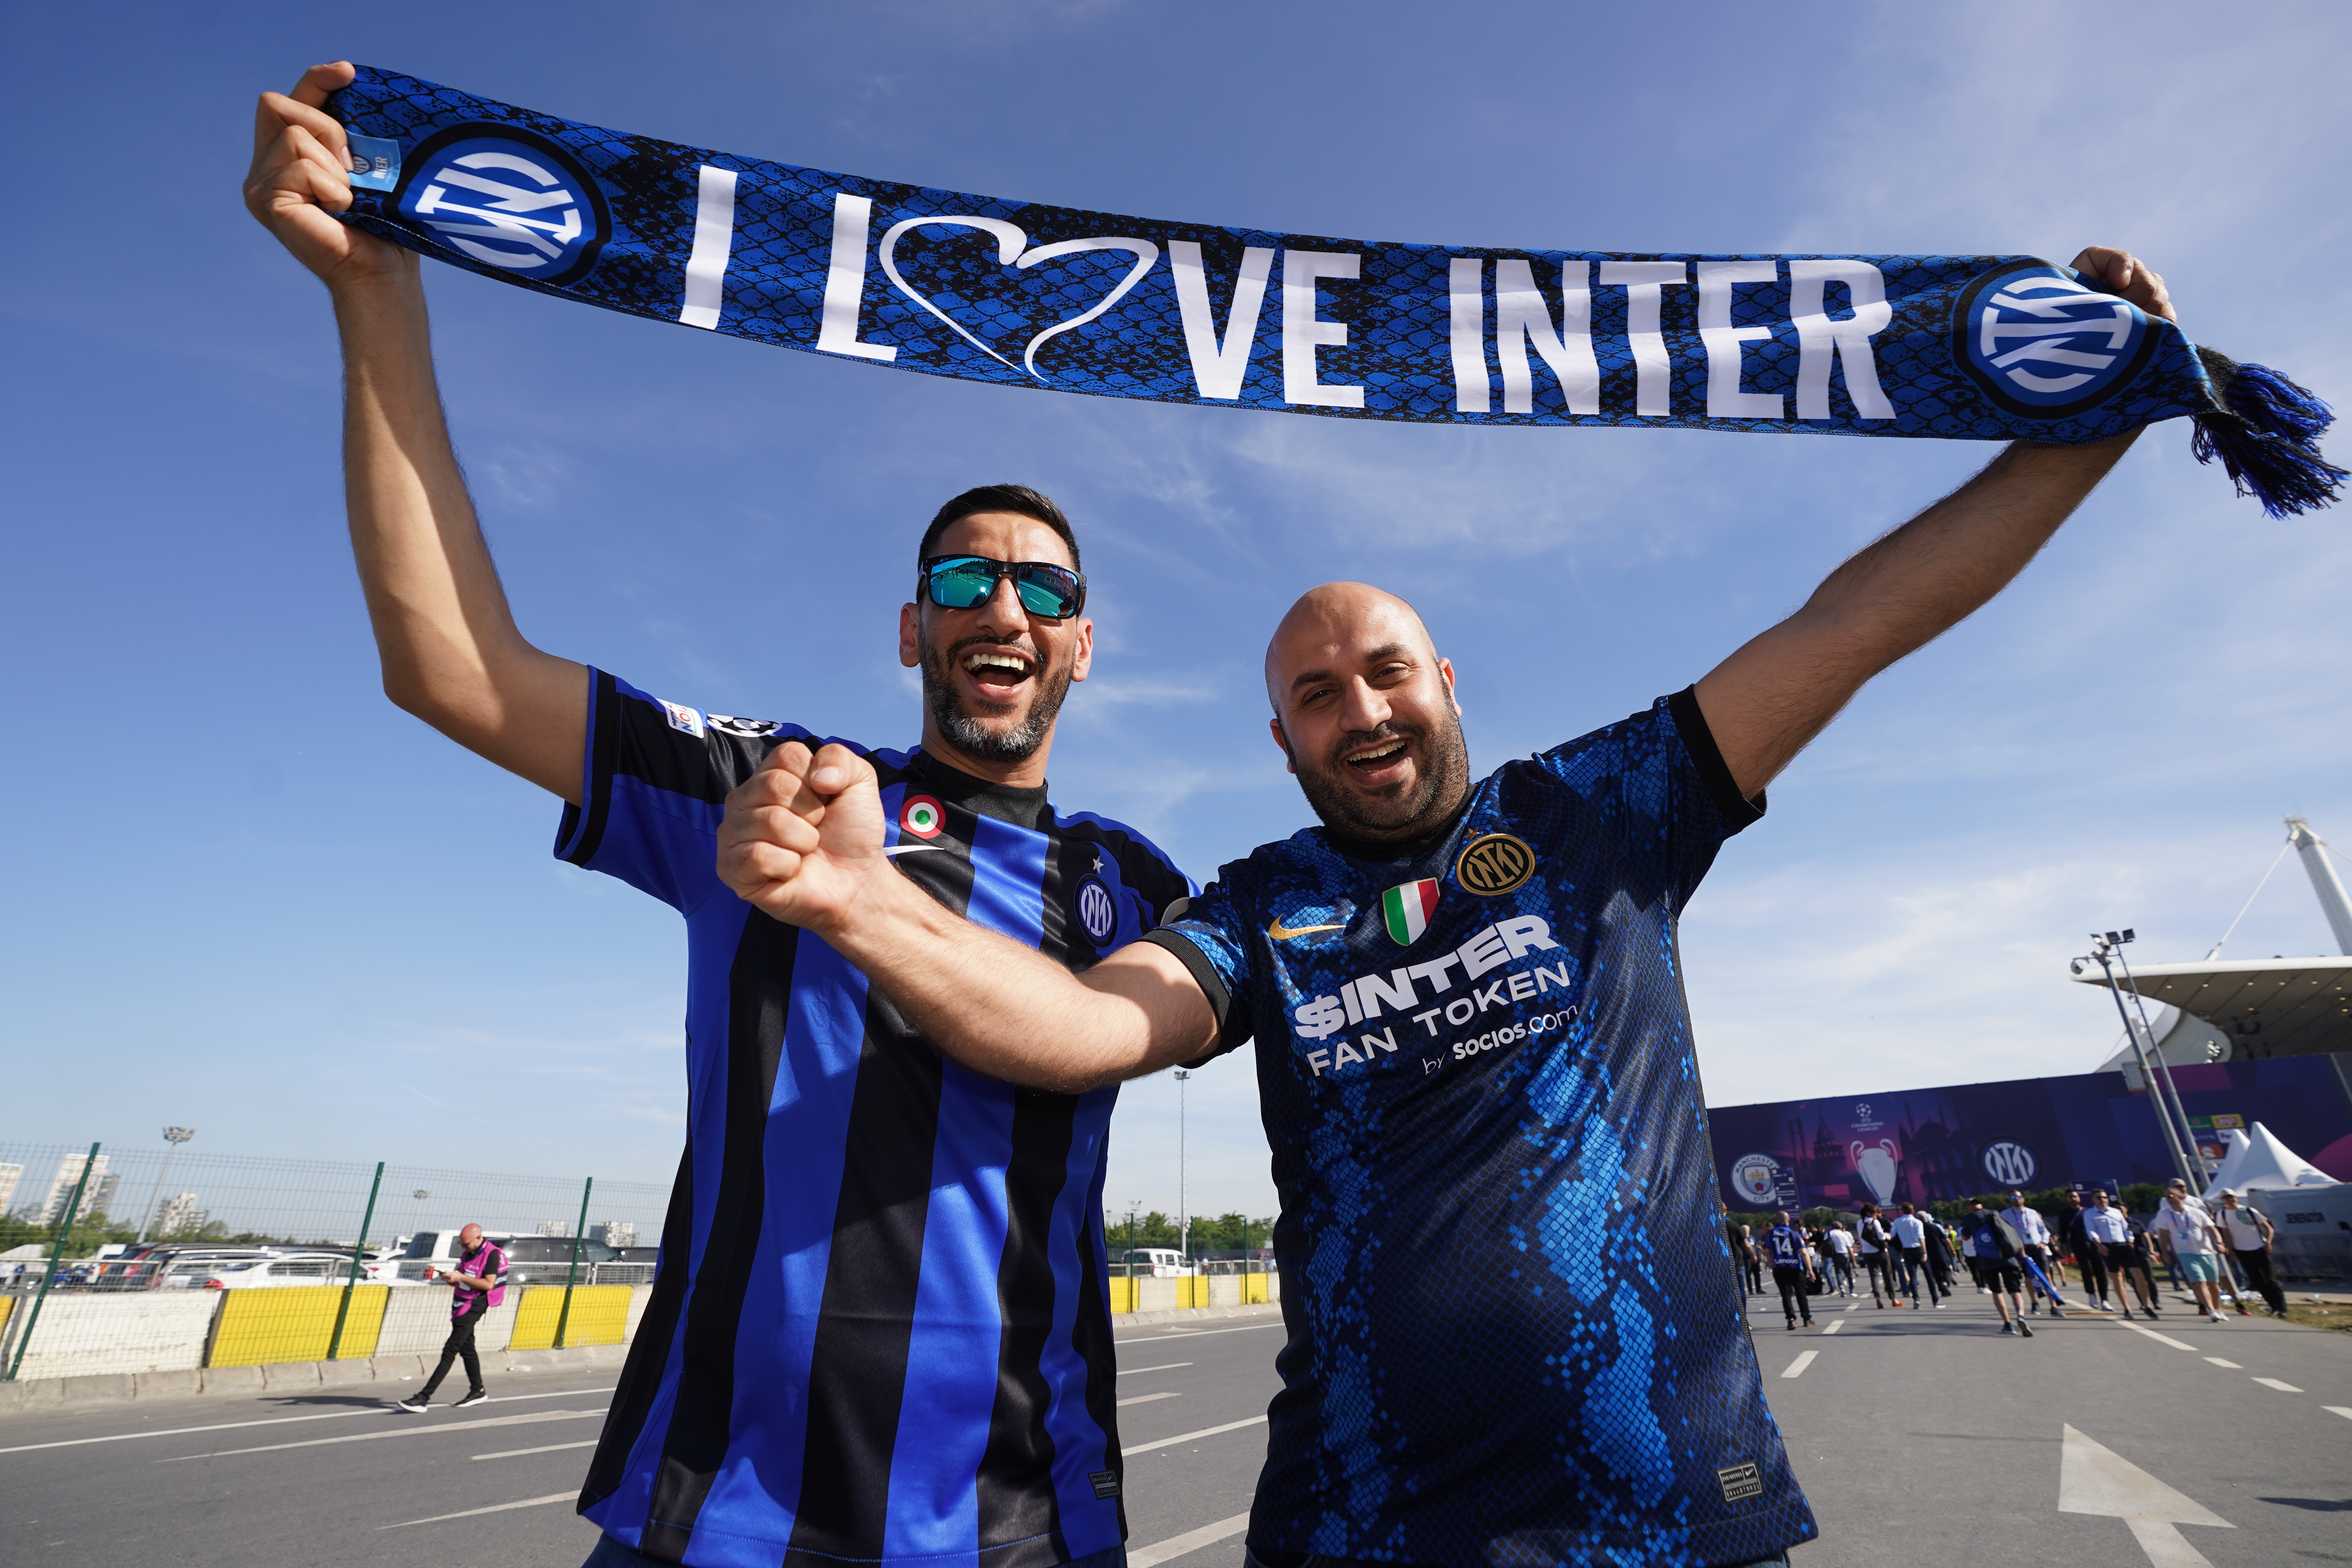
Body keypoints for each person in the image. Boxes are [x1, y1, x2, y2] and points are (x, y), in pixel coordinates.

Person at [716, 260, 2172, 1568]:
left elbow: (1852, 623)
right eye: (1314, 693)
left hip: (1668, 1516)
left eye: (1385, 670)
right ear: (1280, 742)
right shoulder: (1260, 905)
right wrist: (856, 898)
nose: (1361, 709)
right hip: (1360, 1525)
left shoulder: (1600, 813)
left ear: (1446, 677)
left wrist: (2085, 431)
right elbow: (1093, 1021)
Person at [247, 64, 1192, 1568]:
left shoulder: (1133, 881)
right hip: (713, 1525)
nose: (999, 603)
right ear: (909, 631)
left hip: (1021, 1526)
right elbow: (455, 668)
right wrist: (378, 301)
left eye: (1042, 588)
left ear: (1082, 642)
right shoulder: (773, 780)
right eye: (960, 580)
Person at [397, 1223, 507, 1412]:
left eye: (466, 1245)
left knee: (450, 1349)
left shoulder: (492, 1254)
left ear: (478, 1238)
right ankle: (478, 1390)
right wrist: (451, 1280)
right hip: (461, 1303)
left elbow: (488, 1285)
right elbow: (463, 1280)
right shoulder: (468, 1254)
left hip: (475, 1305)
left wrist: (461, 1278)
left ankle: (423, 1397)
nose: (463, 1249)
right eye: (461, 1245)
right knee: (467, 1349)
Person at [2149, 1181, 2230, 1323]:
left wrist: (2219, 1243)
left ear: (2180, 1197)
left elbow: (2212, 1229)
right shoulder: (2164, 1215)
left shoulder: (2196, 1212)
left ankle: (2218, 1310)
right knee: (2199, 1281)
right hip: (2185, 1252)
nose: (2168, 1199)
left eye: (2171, 1196)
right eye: (2166, 1197)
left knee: (2214, 1284)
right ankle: (2210, 1310)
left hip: (2206, 1251)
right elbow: (2164, 1235)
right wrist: (2165, 1252)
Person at [1960, 1203, 2033, 1338]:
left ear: (1970, 1208)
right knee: (2015, 1291)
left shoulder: (1969, 1218)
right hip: (2008, 1257)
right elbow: (2012, 1234)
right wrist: (2022, 1255)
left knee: (1997, 1291)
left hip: (1987, 1259)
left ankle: (2008, 1324)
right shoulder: (1996, 1213)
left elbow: (1965, 1237)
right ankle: (2021, 1316)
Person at [2214, 1189, 2289, 1317]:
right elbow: (2227, 1235)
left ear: (2236, 1198)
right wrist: (2231, 1251)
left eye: (2232, 1197)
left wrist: (2268, 1242)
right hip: (2242, 1250)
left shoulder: (2249, 1211)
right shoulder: (2223, 1215)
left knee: (2271, 1279)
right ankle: (2273, 1306)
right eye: (2227, 1198)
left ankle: (2282, 1308)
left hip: (2259, 1248)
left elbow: (2268, 1228)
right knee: (2257, 1281)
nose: (2231, 1200)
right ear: (2223, 1200)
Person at [2004, 1191, 2056, 1314]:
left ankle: (2054, 1305)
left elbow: (2043, 1230)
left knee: (2046, 1276)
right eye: (2013, 1197)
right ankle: (2034, 1302)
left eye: (2019, 1197)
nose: (2016, 1199)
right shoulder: (2006, 1215)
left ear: (2024, 1199)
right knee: (2028, 1279)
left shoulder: (2033, 1213)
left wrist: (2043, 1243)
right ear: (2010, 1200)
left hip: (2037, 1247)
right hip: (2021, 1249)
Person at [1764, 1210, 1817, 1330]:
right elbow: (1804, 1252)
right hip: (1795, 1268)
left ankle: (1791, 1320)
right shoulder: (1794, 1233)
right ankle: (1807, 1318)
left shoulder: (1770, 1234)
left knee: (1786, 1295)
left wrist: (1771, 1263)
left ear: (1776, 1221)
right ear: (1788, 1221)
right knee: (1801, 1294)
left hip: (1780, 1267)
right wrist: (1810, 1270)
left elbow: (1767, 1251)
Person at [1890, 1204, 1943, 1310]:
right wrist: (1925, 1252)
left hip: (1907, 1250)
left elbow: (1892, 1235)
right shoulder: (1917, 1222)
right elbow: (1921, 1237)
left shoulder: (1897, 1222)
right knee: (1929, 1275)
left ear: (1902, 1211)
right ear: (1913, 1211)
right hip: (1918, 1249)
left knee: (1913, 1275)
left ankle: (1916, 1299)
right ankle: (1935, 1300)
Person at [1855, 1203, 1901, 1308]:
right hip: (1880, 1251)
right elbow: (1881, 1236)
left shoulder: (1859, 1222)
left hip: (1867, 1252)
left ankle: (1878, 1298)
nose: (1877, 1215)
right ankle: (1893, 1299)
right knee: (1887, 1275)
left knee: (1874, 1275)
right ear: (1869, 1213)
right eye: (1875, 1212)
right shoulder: (1874, 1222)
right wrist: (1888, 1236)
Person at [1822, 1220, 1856, 1297]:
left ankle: (1842, 1288)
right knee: (1849, 1273)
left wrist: (1823, 1255)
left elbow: (1824, 1244)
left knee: (1838, 1273)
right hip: (1844, 1254)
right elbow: (1849, 1248)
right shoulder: (1844, 1235)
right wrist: (1854, 1261)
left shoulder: (1829, 1234)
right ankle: (1852, 1291)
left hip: (1834, 1255)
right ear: (1840, 1227)